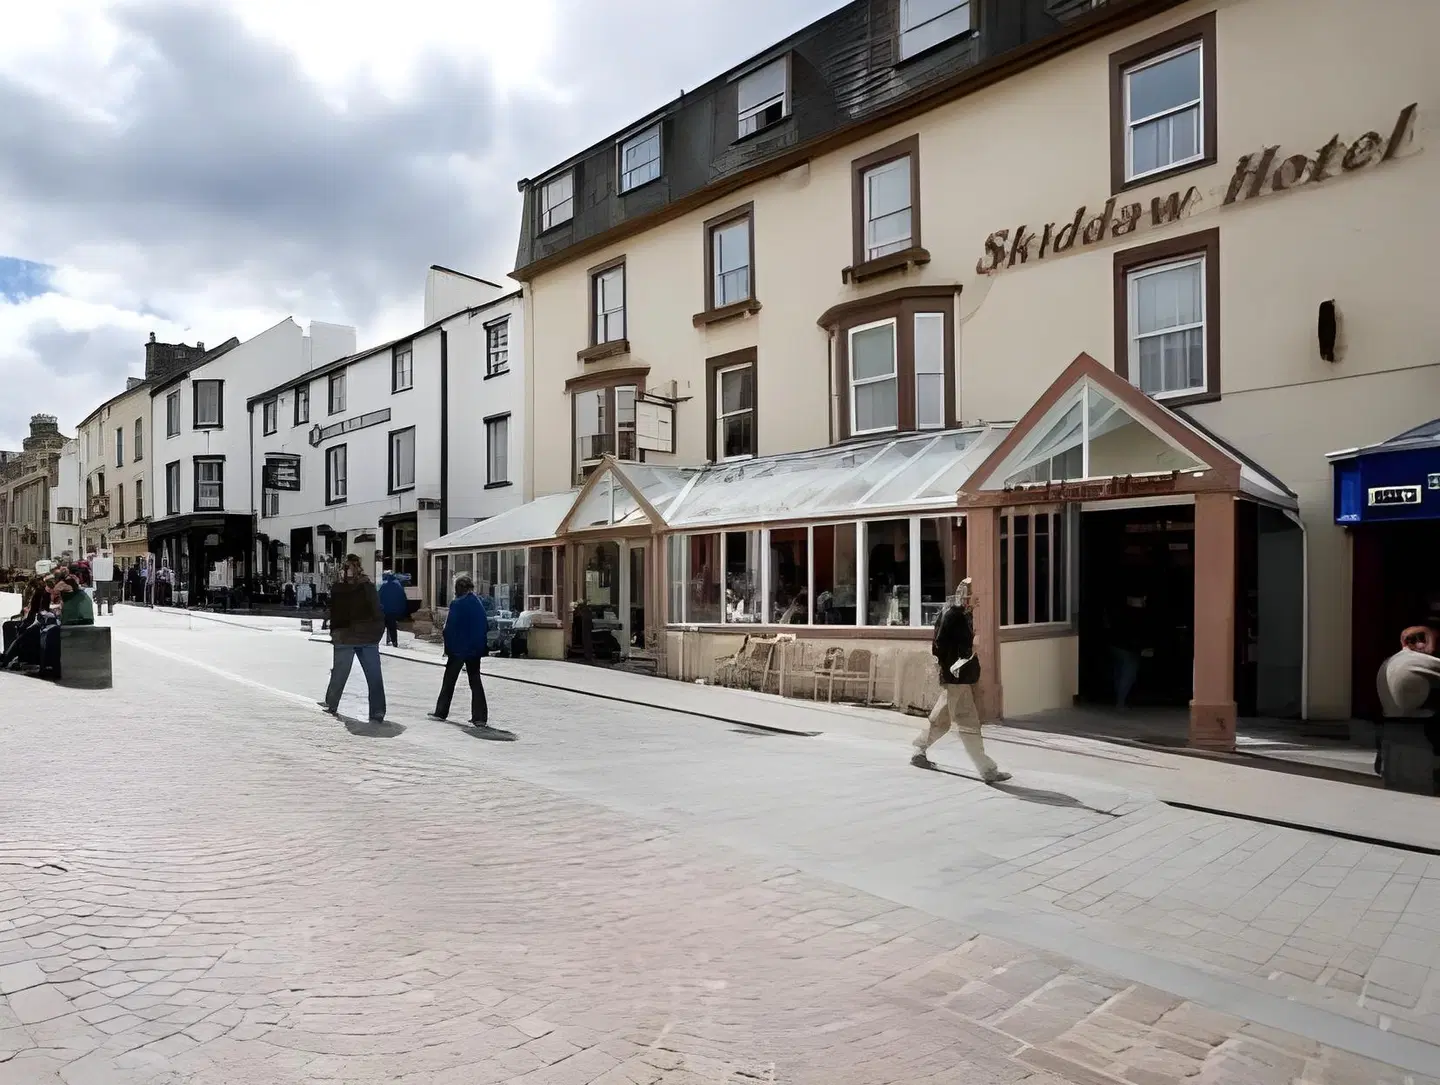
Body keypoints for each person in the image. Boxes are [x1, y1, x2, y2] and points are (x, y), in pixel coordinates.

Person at [911, 578, 1010, 783]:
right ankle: (987, 769)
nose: (976, 601)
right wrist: (956, 666)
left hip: (956, 678)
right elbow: (940, 646)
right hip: (958, 679)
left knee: (941, 719)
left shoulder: (959, 614)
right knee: (969, 723)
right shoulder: (954, 615)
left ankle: (918, 750)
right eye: (973, 596)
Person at [428, 574, 513, 739]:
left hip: (459, 650)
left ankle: (441, 712)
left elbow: (450, 628)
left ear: (458, 589)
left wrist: (449, 648)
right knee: (475, 682)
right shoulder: (478, 603)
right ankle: (480, 717)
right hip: (475, 650)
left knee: (449, 681)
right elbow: (484, 626)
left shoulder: (457, 604)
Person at [318, 554, 387, 723]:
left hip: (349, 636)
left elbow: (334, 612)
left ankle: (331, 704)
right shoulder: (366, 586)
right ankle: (377, 712)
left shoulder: (340, 588)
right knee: (373, 676)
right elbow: (377, 610)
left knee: (341, 673)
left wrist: (334, 632)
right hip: (364, 635)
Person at [1375, 622, 1440, 776]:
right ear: (1421, 643)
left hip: (1391, 720)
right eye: (1435, 641)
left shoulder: (1389, 661)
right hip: (1418, 721)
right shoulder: (1420, 660)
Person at [378, 570, 408, 648]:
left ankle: (378, 641)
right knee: (392, 626)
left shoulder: (384, 585)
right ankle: (394, 641)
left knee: (382, 626)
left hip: (385, 609)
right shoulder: (398, 585)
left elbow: (379, 597)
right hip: (395, 610)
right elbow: (403, 597)